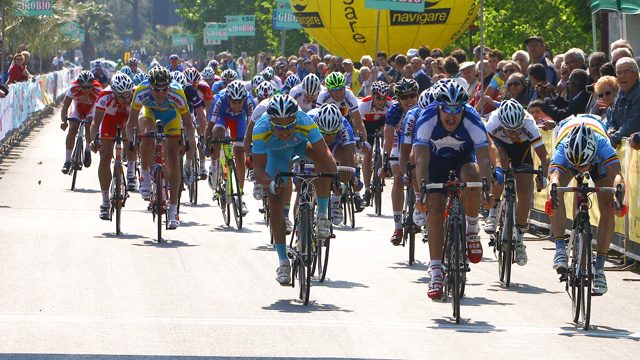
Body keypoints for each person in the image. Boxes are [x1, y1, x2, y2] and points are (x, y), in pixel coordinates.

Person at [413, 81, 494, 299]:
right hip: (434, 163)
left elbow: (485, 159)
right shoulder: (427, 119)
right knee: (436, 210)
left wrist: (488, 190)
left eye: (457, 109)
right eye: (447, 109)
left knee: (473, 177)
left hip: (462, 159)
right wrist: (420, 195)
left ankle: (471, 229)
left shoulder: (472, 119)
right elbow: (420, 161)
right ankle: (436, 271)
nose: (452, 115)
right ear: (438, 107)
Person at [252, 94, 337, 285]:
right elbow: (258, 170)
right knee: (275, 202)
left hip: (299, 146)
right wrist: (271, 184)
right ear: (271, 122)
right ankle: (283, 262)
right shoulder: (261, 128)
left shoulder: (304, 120)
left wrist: (335, 178)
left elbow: (325, 153)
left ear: (295, 119)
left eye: (289, 125)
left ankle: (322, 216)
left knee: (323, 167)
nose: (284, 131)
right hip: (276, 156)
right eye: (279, 127)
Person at [546, 115, 626, 295]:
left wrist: (619, 198)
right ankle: (560, 248)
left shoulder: (602, 145)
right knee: (555, 194)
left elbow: (617, 176)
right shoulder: (563, 147)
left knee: (607, 205)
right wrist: (553, 192)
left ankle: (599, 270)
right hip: (569, 143)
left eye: (585, 165)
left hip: (597, 156)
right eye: (578, 166)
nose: (582, 169)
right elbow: (554, 177)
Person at [126, 66, 196, 229]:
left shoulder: (177, 93)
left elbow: (188, 124)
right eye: (156, 90)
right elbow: (131, 123)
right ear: (150, 86)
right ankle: (144, 176)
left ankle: (173, 210)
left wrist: (188, 140)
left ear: (169, 87)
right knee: (147, 136)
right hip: (150, 113)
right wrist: (131, 140)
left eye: (164, 89)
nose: (160, 93)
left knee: (173, 157)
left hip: (171, 117)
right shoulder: (141, 91)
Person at [483, 100, 549, 265]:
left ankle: (519, 237)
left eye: (517, 129)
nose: (513, 133)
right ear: (502, 123)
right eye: (509, 129)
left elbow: (544, 156)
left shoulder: (529, 124)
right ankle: (493, 213)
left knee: (525, 190)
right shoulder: (494, 121)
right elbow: (485, 146)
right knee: (501, 165)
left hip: (522, 149)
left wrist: (544, 177)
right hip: (500, 146)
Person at [89, 73, 136, 219]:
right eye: (121, 96)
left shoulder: (135, 96)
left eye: (127, 95)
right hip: (109, 121)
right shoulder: (105, 96)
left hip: (127, 120)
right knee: (105, 157)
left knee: (132, 142)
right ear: (114, 93)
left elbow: (138, 122)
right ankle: (104, 201)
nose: (125, 99)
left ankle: (131, 172)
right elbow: (95, 123)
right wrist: (94, 140)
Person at [205, 80, 255, 215]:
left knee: (239, 154)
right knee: (218, 133)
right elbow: (209, 126)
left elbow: (253, 127)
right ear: (229, 100)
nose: (238, 105)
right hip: (222, 117)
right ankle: (214, 166)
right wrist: (207, 144)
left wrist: (251, 146)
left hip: (239, 121)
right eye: (234, 102)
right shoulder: (221, 100)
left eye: (240, 102)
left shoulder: (249, 102)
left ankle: (239, 196)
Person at [309, 103, 361, 224]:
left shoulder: (344, 125)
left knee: (346, 159)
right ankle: (301, 220)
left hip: (335, 147)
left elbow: (350, 153)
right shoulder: (309, 121)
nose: (327, 137)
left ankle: (336, 199)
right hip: (314, 145)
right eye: (324, 132)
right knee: (304, 181)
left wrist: (350, 176)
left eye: (332, 133)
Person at [384, 78, 419, 245]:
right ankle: (398, 226)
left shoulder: (424, 108)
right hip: (399, 146)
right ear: (398, 99)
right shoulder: (394, 111)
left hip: (419, 146)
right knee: (398, 178)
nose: (409, 100)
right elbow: (389, 137)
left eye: (412, 95)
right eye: (404, 97)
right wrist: (385, 159)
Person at [60, 70, 103, 174]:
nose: (86, 90)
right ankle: (67, 161)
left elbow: (101, 110)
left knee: (89, 126)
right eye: (83, 87)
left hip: (91, 108)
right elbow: (65, 105)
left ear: (92, 85)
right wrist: (64, 121)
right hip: (77, 107)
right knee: (72, 128)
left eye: (89, 87)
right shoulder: (73, 88)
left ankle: (87, 150)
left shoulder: (98, 89)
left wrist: (97, 124)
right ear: (78, 84)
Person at [358, 81, 394, 204]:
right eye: (378, 98)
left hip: (382, 123)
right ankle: (367, 189)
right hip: (366, 125)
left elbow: (393, 124)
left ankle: (385, 161)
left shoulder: (391, 104)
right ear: (373, 96)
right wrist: (362, 139)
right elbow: (357, 123)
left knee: (386, 135)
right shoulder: (364, 104)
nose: (381, 101)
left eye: (383, 98)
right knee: (367, 155)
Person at [607, 57, 640, 148]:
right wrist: (611, 130)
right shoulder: (620, 93)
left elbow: (632, 124)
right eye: (619, 73)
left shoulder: (638, 94)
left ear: (636, 74)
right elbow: (612, 120)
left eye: (626, 72)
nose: (622, 76)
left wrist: (614, 138)